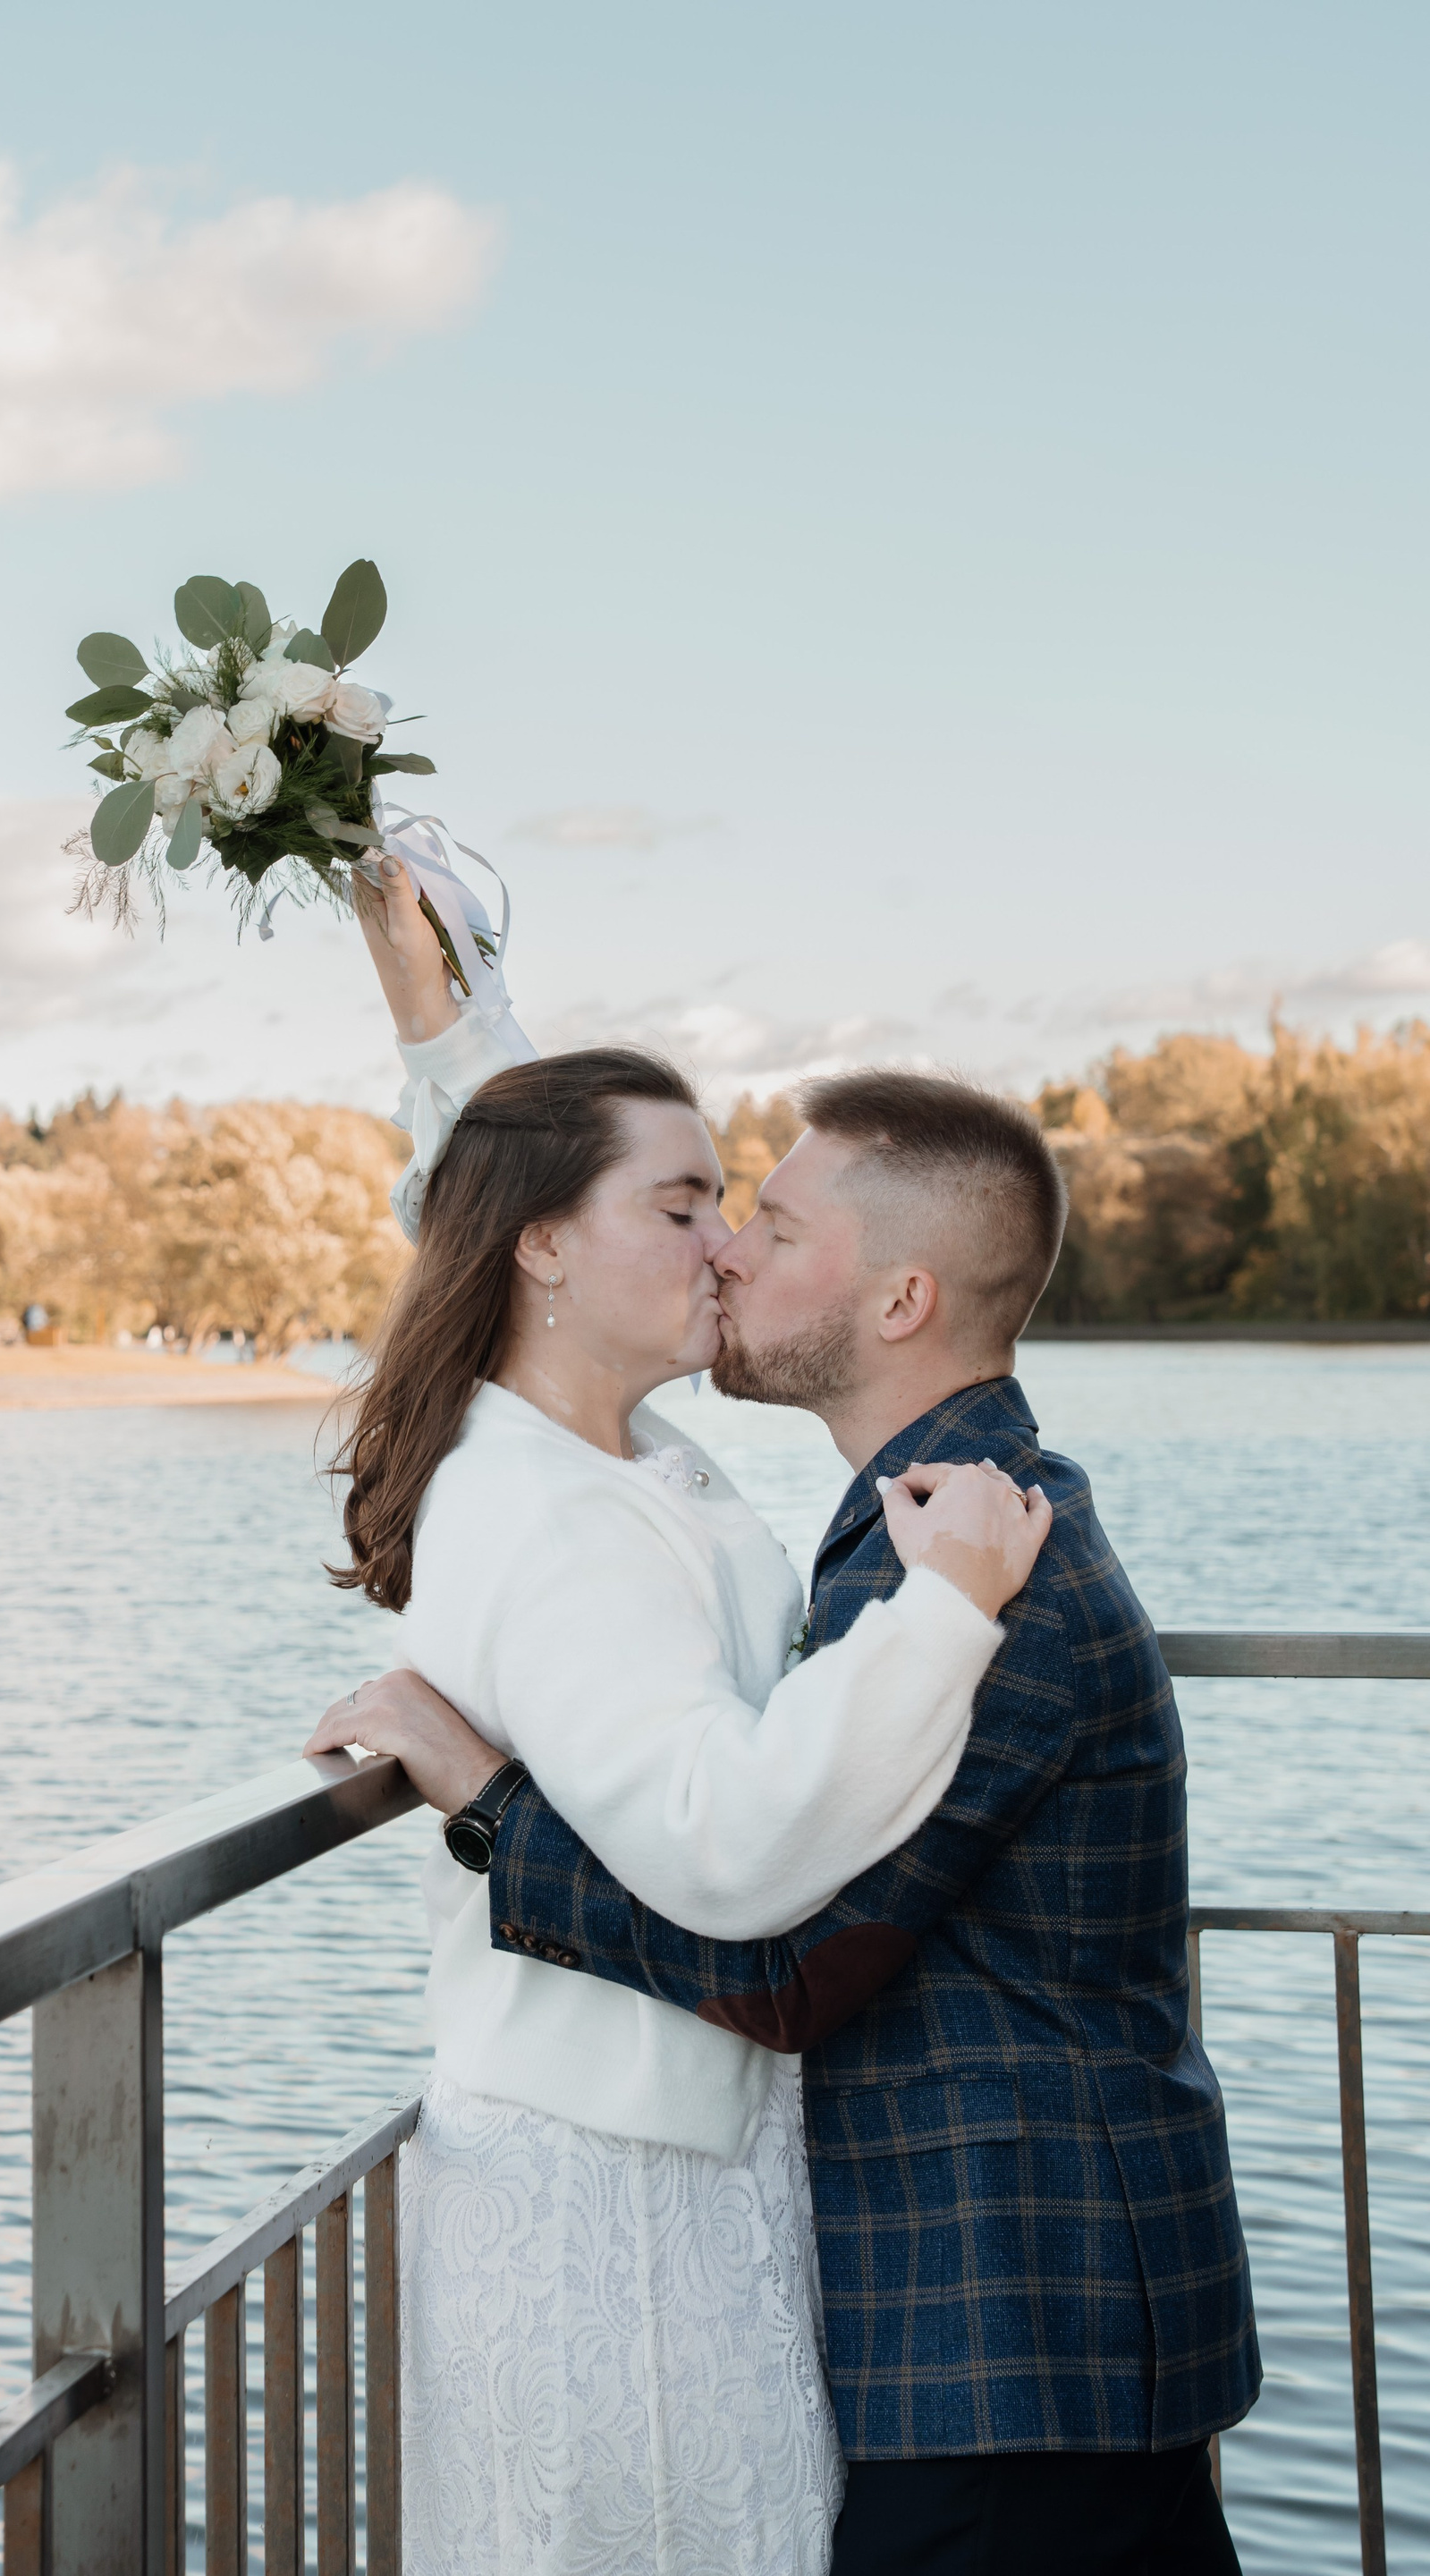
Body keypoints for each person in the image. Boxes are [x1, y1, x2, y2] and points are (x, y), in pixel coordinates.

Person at [313, 863, 1261, 2576]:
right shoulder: (900, 1513)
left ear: (897, 1302)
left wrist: (488, 1805)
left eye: (765, 1223)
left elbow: (783, 1975)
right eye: (700, 1210)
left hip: (1016, 2331)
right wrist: (447, 1023)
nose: (727, 1247)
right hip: (982, 2327)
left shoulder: (984, 1558)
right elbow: (536, 1215)